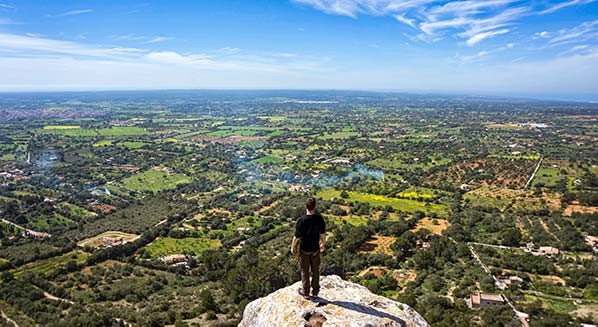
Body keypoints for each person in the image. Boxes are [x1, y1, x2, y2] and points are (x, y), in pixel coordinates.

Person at [291, 197, 326, 298]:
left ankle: (306, 292)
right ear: (315, 206)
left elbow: (297, 236)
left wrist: (292, 247)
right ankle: (315, 291)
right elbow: (323, 234)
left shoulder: (301, 220)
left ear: (305, 206)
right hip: (315, 248)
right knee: (315, 270)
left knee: (304, 270)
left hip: (304, 249)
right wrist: (323, 244)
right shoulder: (319, 218)